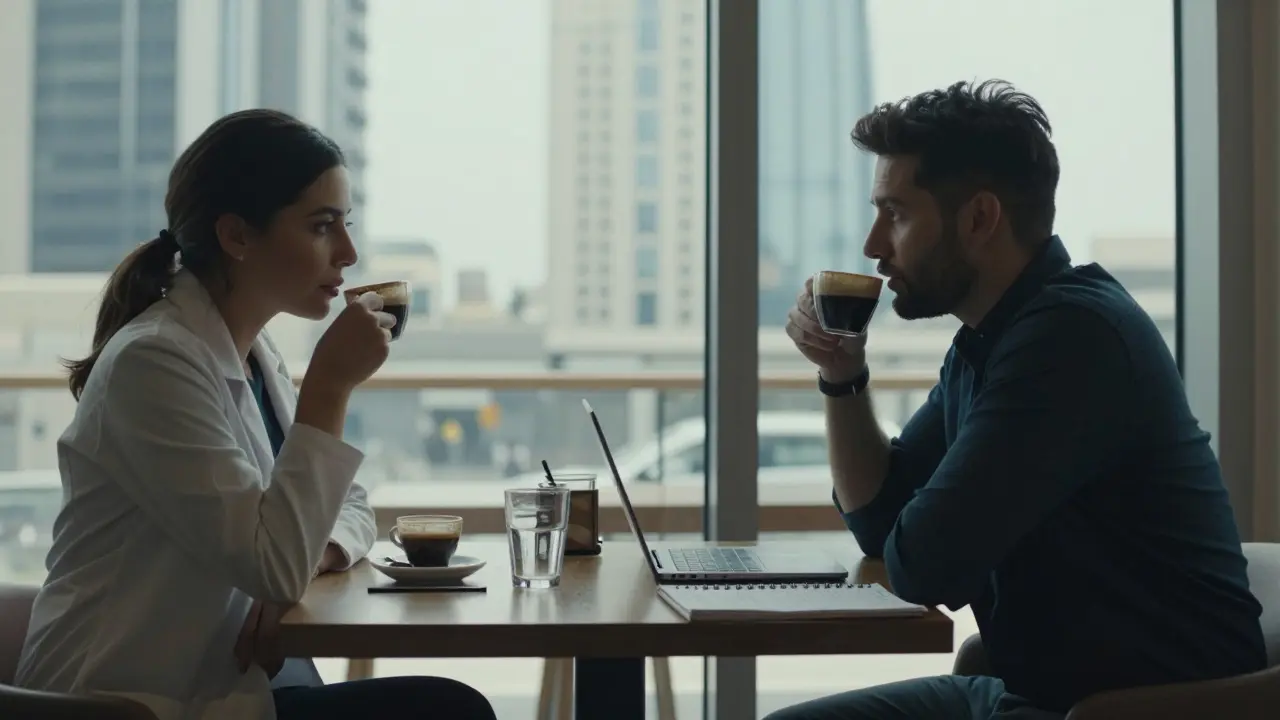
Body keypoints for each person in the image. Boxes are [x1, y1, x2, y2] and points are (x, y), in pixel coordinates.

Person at [771, 80, 1266, 719]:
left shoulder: (1070, 341)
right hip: (1030, 695)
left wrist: (918, 530)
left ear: (980, 218)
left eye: (894, 213)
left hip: (1138, 707)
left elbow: (926, 566)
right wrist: (842, 374)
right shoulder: (990, 341)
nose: (872, 245)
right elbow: (879, 520)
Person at [14, 109, 496, 720]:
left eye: (346, 225)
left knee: (443, 706)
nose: (348, 253)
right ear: (237, 236)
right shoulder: (154, 363)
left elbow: (349, 509)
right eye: (323, 227)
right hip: (131, 701)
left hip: (228, 686)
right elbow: (272, 563)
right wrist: (330, 386)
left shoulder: (252, 353)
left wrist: (307, 558)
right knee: (445, 710)